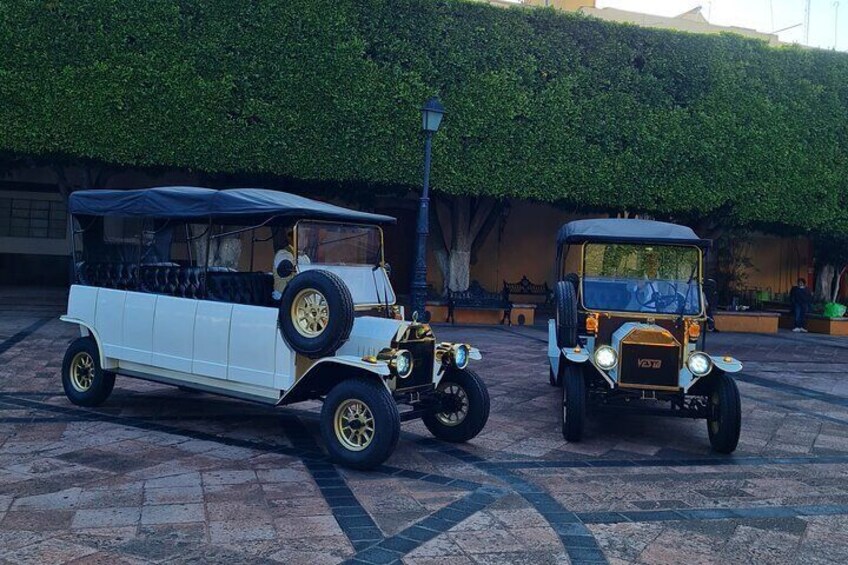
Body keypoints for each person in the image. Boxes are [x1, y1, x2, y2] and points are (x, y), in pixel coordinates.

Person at [271, 225, 310, 301]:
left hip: (300, 297)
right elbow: (289, 267)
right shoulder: (283, 254)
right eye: (304, 236)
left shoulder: (305, 257)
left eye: (307, 237)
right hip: (282, 298)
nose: (306, 240)